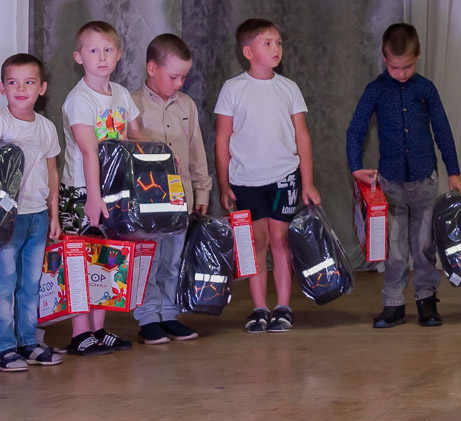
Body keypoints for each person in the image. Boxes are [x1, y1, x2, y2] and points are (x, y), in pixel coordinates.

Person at [347, 23, 461, 330]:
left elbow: (442, 131)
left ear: (418, 55)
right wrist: (355, 165)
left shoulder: (426, 89)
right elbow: (356, 129)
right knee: (395, 247)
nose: (401, 73)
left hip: (425, 180)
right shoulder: (375, 89)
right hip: (390, 183)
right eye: (394, 67)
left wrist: (454, 171)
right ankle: (393, 303)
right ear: (384, 58)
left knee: (424, 244)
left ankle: (426, 300)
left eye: (407, 67)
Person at [214, 18, 323, 334]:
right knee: (256, 242)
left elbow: (302, 136)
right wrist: (223, 183)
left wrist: (308, 181)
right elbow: (222, 139)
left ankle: (284, 308)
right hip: (245, 181)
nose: (276, 48)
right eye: (267, 43)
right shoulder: (232, 89)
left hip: (283, 177)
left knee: (280, 239)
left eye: (278, 43)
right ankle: (259, 308)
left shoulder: (289, 88)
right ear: (248, 52)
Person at [60, 21, 143, 355]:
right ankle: (80, 333)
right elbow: (88, 151)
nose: (102, 56)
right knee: (80, 259)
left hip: (113, 189)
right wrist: (93, 197)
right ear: (79, 57)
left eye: (108, 50)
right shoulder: (80, 99)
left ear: (119, 54)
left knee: (107, 259)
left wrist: (162, 155)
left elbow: (135, 136)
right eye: (93, 50)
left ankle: (98, 328)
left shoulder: (121, 94)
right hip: (84, 191)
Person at [130, 34, 213, 344]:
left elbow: (196, 150)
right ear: (152, 68)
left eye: (184, 77)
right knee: (148, 258)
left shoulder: (186, 105)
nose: (179, 83)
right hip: (146, 201)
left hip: (180, 197)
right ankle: (148, 317)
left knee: (174, 258)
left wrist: (201, 191)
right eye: (174, 76)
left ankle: (169, 313)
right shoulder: (131, 104)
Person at [0, 53, 63, 370]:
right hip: (7, 220)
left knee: (31, 283)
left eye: (29, 82)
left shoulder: (47, 127)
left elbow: (52, 173)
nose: (21, 88)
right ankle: (4, 345)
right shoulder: (2, 123)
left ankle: (28, 341)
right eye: (13, 82)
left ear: (42, 88)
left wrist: (54, 215)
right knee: (5, 283)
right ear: (2, 88)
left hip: (38, 216)